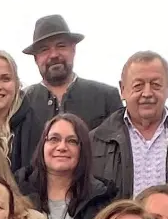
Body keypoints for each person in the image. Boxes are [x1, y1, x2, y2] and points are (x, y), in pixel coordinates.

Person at [18, 15, 123, 165]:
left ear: (73, 49)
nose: (53, 55)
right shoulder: (21, 104)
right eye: (44, 49)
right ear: (36, 59)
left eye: (61, 46)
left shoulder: (106, 98)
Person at [90, 52, 168, 201]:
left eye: (156, 85)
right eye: (138, 86)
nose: (147, 93)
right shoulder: (94, 142)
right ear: (122, 89)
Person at [18, 114, 114, 219]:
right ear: (42, 145)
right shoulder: (18, 192)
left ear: (83, 149)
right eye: (54, 139)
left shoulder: (101, 199)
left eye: (72, 141)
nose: (62, 147)